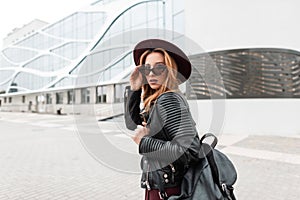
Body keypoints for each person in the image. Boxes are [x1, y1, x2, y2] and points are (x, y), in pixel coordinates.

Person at [124, 39, 200, 200]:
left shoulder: (169, 100)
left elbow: (189, 150)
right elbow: (132, 124)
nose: (151, 73)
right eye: (146, 68)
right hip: (161, 186)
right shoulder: (158, 100)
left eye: (159, 67)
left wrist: (145, 142)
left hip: (169, 191)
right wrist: (134, 89)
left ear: (170, 70)